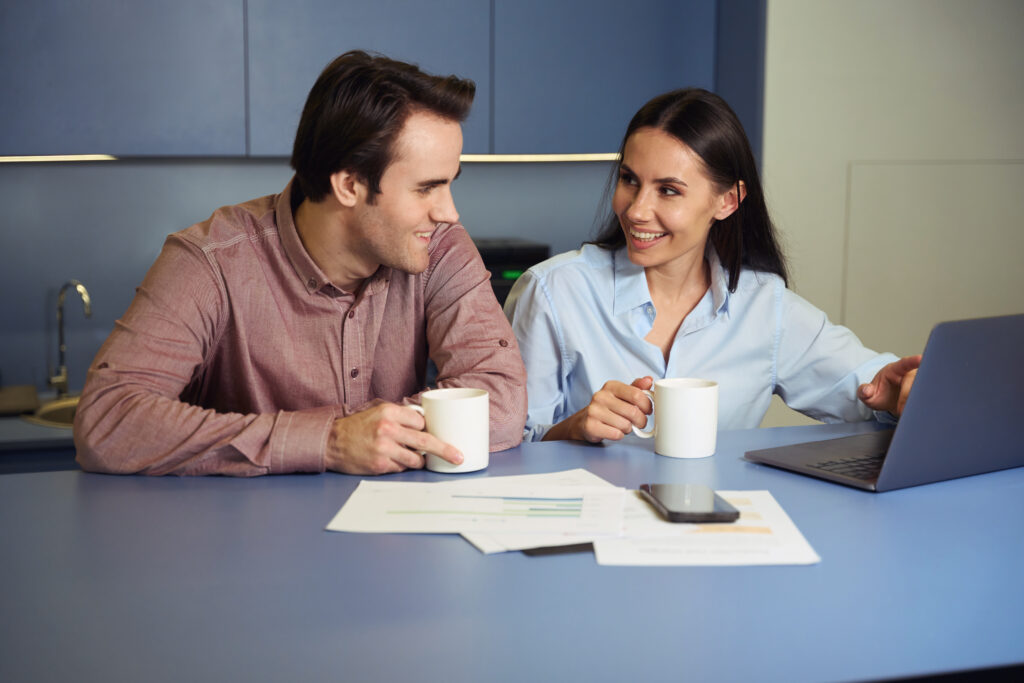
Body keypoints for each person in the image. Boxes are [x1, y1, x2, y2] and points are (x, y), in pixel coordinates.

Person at [74, 51, 527, 475]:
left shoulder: (441, 247)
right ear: (349, 185)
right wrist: (329, 441)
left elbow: (502, 400)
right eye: (426, 188)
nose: (449, 212)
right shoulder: (209, 263)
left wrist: (383, 432)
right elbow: (109, 418)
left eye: (450, 184)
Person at [505, 88, 919, 443]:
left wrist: (896, 394)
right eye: (630, 179)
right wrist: (573, 430)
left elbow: (870, 386)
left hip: (715, 526)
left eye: (668, 190)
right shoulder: (553, 292)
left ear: (728, 201)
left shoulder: (763, 306)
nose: (636, 210)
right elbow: (506, 442)